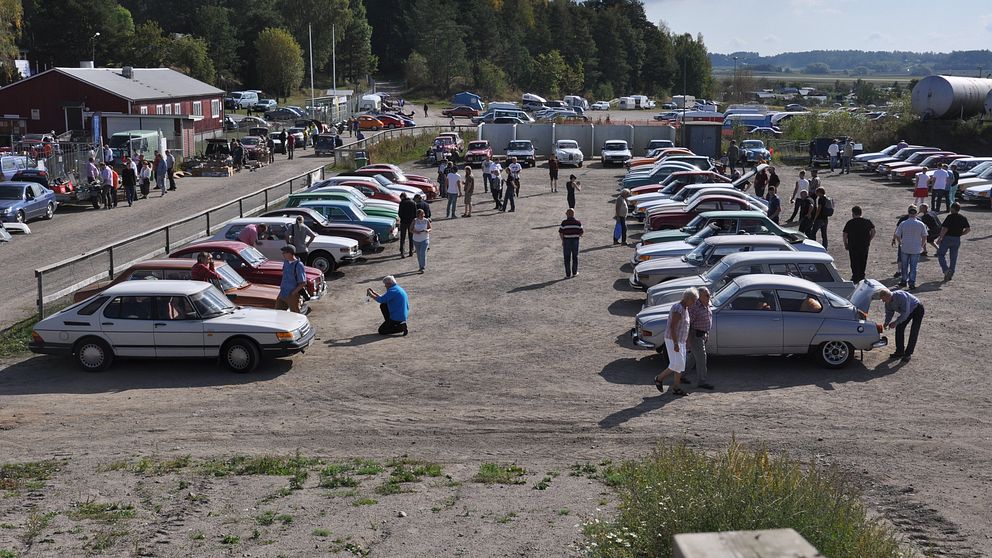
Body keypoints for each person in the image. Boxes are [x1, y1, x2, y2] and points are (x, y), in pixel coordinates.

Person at [654, 288, 697, 397]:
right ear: (688, 298)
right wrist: (676, 344)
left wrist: (684, 342)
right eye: (693, 300)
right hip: (673, 340)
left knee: (680, 365)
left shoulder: (685, 309)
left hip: (680, 340)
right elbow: (673, 327)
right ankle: (659, 379)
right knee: (676, 364)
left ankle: (675, 387)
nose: (694, 303)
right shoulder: (679, 308)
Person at [881, 288, 924, 363]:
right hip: (907, 311)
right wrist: (886, 322)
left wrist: (896, 322)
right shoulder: (887, 302)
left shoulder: (901, 296)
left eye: (884, 299)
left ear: (888, 297)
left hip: (917, 308)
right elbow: (889, 313)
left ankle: (908, 354)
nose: (883, 301)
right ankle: (900, 351)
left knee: (914, 331)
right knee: (899, 328)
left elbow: (905, 313)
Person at [682, 287, 714, 391]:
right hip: (696, 335)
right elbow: (689, 324)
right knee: (701, 359)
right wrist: (689, 340)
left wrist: (706, 334)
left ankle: (681, 375)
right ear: (700, 297)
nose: (709, 297)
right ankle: (702, 381)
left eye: (709, 294)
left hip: (702, 335)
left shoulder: (707, 304)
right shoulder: (695, 308)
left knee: (692, 358)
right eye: (707, 295)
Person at [892, 205, 928, 289]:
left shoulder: (903, 223)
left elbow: (897, 235)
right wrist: (921, 245)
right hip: (916, 248)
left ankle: (904, 281)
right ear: (916, 214)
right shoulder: (921, 224)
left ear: (909, 214)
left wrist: (900, 243)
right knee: (913, 266)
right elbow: (924, 236)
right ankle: (912, 283)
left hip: (905, 247)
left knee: (904, 265)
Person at [936, 202, 970, 282]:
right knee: (953, 257)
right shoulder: (963, 218)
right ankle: (951, 273)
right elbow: (968, 229)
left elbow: (945, 229)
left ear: (952, 208)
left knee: (940, 254)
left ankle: (946, 270)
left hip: (947, 238)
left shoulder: (950, 217)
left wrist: (940, 238)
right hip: (956, 239)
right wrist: (961, 234)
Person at [843, 206, 875, 282]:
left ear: (853, 213)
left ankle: (855, 276)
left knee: (854, 261)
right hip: (864, 245)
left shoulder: (850, 222)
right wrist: (869, 239)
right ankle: (861, 276)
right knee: (863, 260)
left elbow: (845, 235)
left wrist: (845, 244)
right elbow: (873, 231)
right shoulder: (867, 221)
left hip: (853, 245)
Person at [276, 246, 307, 313]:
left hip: (292, 294)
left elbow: (303, 282)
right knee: (278, 312)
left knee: (295, 314)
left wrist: (293, 293)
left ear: (290, 253)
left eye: (284, 252)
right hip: (283, 292)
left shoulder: (298, 265)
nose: (282, 254)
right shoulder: (286, 262)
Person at [558, 208, 583, 278]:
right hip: (575, 241)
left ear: (567, 214)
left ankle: (568, 274)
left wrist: (562, 240)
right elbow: (581, 232)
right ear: (573, 214)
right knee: (575, 257)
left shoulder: (564, 223)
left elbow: (561, 232)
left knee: (567, 258)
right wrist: (578, 236)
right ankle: (574, 272)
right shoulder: (578, 222)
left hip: (566, 241)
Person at [397, 193, 417, 257]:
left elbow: (399, 213)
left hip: (403, 222)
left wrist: (402, 218)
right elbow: (415, 213)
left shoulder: (402, 203)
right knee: (411, 237)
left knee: (402, 237)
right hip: (411, 222)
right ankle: (411, 251)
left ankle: (402, 251)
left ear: (402, 197)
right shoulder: (413, 202)